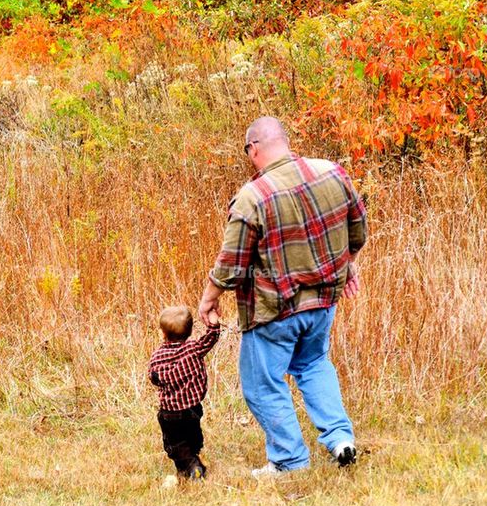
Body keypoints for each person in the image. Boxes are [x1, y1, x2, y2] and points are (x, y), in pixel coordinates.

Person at [197, 116, 368, 478]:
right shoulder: (332, 173)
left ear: (254, 148)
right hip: (323, 303)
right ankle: (340, 440)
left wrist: (208, 298)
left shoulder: (252, 198)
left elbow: (232, 265)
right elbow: (358, 231)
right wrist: (348, 265)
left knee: (263, 385)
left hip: (275, 312)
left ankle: (290, 461)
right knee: (313, 364)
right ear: (285, 142)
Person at [148, 306, 221, 480]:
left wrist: (163, 377)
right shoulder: (194, 349)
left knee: (175, 443)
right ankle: (191, 460)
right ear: (189, 331)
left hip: (170, 412)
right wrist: (213, 321)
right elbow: (211, 337)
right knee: (192, 436)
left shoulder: (157, 356)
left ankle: (192, 467)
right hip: (193, 408)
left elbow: (154, 378)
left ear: (163, 334)